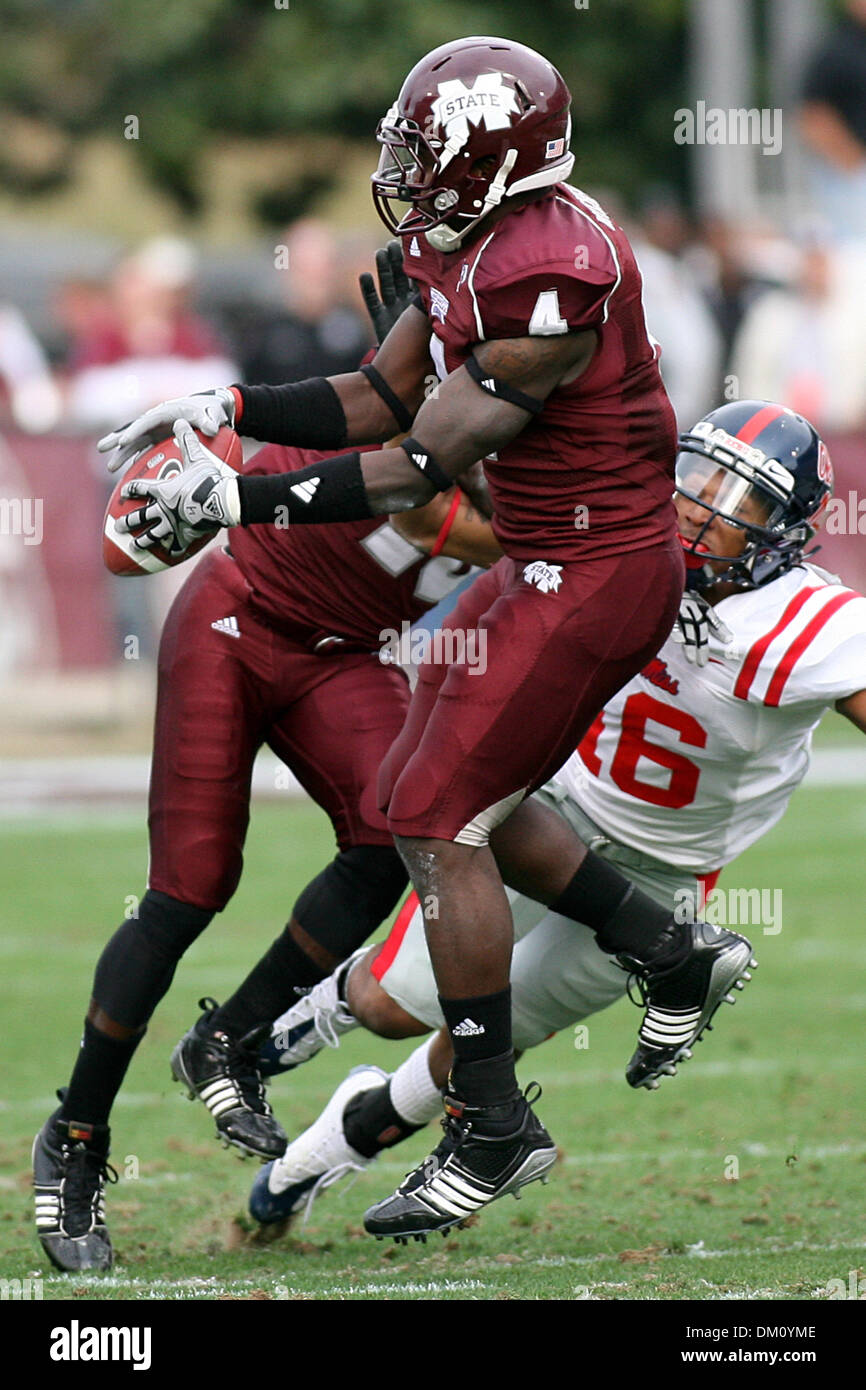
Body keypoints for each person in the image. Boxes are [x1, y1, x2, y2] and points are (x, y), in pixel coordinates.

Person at [95, 37, 751, 1242]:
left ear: (489, 158)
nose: (401, 168)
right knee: (416, 800)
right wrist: (226, 408)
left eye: (423, 147)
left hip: (598, 570)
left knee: (437, 814)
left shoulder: (554, 267)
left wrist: (234, 498)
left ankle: (494, 1122)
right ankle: (668, 952)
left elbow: (419, 462)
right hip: (542, 560)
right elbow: (378, 396)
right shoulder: (457, 238)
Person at [245, 400, 866, 1235]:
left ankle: (332, 1143)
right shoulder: (626, 543)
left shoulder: (812, 625)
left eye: (740, 498)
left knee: (480, 1045)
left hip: (663, 872)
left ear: (782, 533)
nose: (702, 505)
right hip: (550, 815)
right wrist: (439, 409)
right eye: (696, 478)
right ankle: (324, 1008)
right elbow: (493, 509)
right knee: (398, 1003)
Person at [30, 251, 491, 1274]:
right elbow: (417, 494)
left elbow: (483, 517)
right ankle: (73, 1140)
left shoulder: (540, 412)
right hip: (241, 616)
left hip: (347, 653)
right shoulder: (441, 371)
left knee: (392, 830)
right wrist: (237, 424)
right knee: (189, 887)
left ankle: (230, 1040)